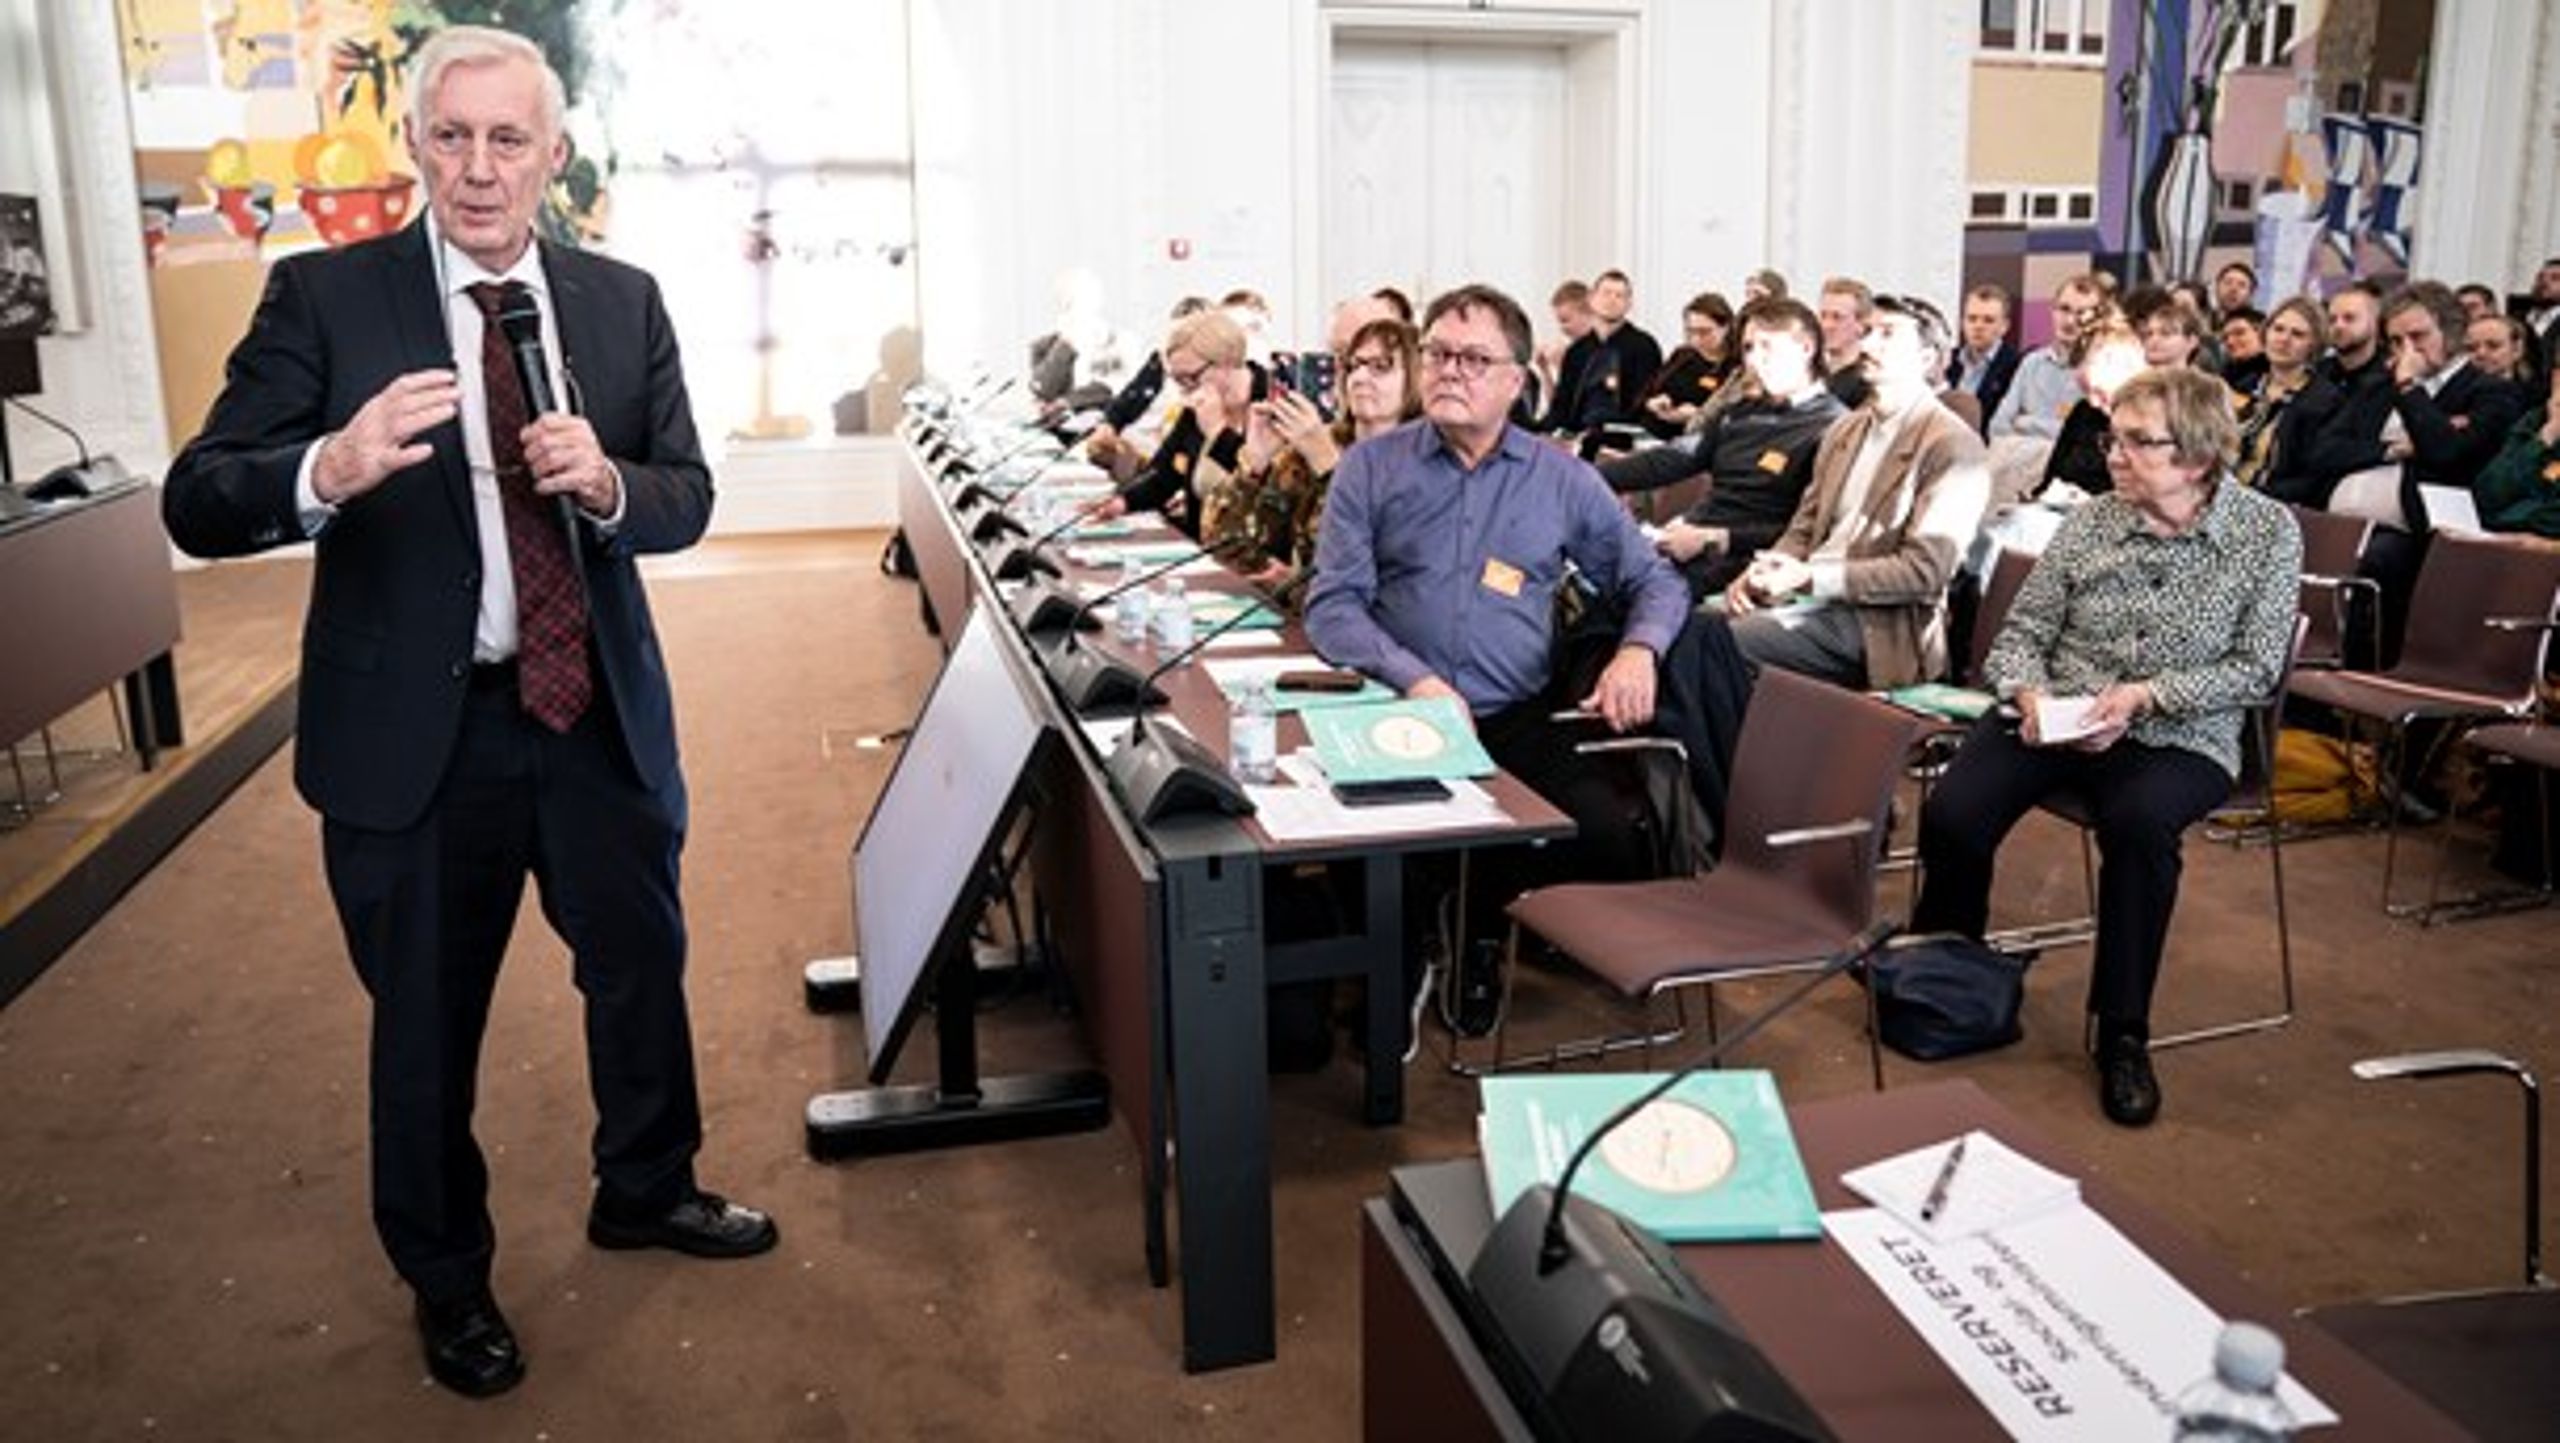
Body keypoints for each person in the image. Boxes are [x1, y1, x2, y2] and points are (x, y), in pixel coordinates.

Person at [159, 25, 774, 1400]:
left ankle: (648, 1182)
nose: (481, 168)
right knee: (425, 1021)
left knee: (639, 962)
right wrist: (329, 460)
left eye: (510, 139)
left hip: (592, 709)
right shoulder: (324, 297)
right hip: (417, 742)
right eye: (453, 136)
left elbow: (687, 493)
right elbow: (198, 493)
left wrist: (610, 483)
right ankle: (447, 1276)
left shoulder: (621, 301)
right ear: (416, 144)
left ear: (554, 153)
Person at [1912, 367, 2302, 1128]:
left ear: (2196, 456)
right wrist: (2030, 696)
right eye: (2112, 438)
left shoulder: (2264, 531)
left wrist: (2145, 695)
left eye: (2136, 442)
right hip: (2060, 710)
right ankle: (1946, 969)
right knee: (1955, 809)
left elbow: (2257, 665)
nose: (2113, 455)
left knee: (2139, 827)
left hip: (2179, 729)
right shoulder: (2092, 519)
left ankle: (2123, 1032)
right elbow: (2023, 632)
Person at [1307, 283, 1687, 906]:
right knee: (1371, 861)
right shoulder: (1370, 467)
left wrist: (1639, 650)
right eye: (1438, 354)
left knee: (1607, 839)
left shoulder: (1562, 478)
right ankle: (1452, 926)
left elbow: (1654, 579)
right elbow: (1333, 606)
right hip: (1394, 711)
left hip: (1515, 717)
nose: (1450, 372)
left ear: (1517, 382)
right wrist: (1415, 680)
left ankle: (1477, 918)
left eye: (1474, 360)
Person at [1713, 294, 1990, 689]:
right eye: (1867, 332)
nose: (1869, 345)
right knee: (1688, 629)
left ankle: (1713, 751)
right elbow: (1804, 529)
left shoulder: (1952, 446)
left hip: (1879, 627)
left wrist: (1809, 577)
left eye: (1887, 334)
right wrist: (1764, 571)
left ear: (1927, 358)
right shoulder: (1845, 431)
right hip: (1812, 604)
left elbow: (1923, 572)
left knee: (1714, 645)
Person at [1600, 296, 1845, 597]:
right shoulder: (1742, 411)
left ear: (1806, 349)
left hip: (1745, 562)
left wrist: (1714, 537)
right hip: (1689, 544)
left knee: (1628, 605)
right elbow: (1675, 458)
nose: (1754, 360)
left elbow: (1808, 531)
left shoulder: (1833, 427)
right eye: (1748, 348)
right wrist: (1585, 475)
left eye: (1767, 346)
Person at [1200, 315, 1420, 592]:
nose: (1360, 377)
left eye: (1381, 367)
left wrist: (1328, 466)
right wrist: (1255, 463)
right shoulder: (1308, 449)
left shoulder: (1427, 463)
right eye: (1353, 366)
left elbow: (1385, 577)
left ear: (1417, 379)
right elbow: (1224, 550)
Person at [1092, 308, 1265, 538]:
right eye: (1178, 380)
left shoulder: (1273, 403)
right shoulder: (1197, 407)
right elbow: (1163, 474)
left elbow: (1256, 488)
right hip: (1204, 549)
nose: (1186, 390)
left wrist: (1217, 432)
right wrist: (1121, 502)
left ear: (1226, 362)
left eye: (1191, 378)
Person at [2235, 297, 2341, 496]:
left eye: (2298, 334)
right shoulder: (2244, 386)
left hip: (2276, 504)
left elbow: (2313, 479)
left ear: (2313, 345)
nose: (2284, 339)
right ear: (2265, 333)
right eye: (2278, 329)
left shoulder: (2324, 400)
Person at [2470, 362, 2560, 537]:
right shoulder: (2535, 421)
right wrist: (2544, 438)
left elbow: (2552, 519)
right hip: (2506, 543)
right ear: (2556, 378)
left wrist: (2509, 518)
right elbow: (2486, 493)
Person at [1632, 290, 1736, 440]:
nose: (1696, 339)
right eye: (1690, 331)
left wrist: (1698, 415)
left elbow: (1735, 420)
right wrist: (1653, 402)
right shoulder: (1683, 355)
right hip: (1650, 431)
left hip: (1693, 441)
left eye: (1704, 332)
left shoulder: (1735, 367)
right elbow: (1644, 395)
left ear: (1726, 327)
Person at [1945, 283, 2022, 436]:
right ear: (1962, 322)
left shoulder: (2017, 365)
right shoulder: (1946, 360)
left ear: (2004, 326)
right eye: (1972, 319)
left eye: (1988, 320)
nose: (1978, 326)